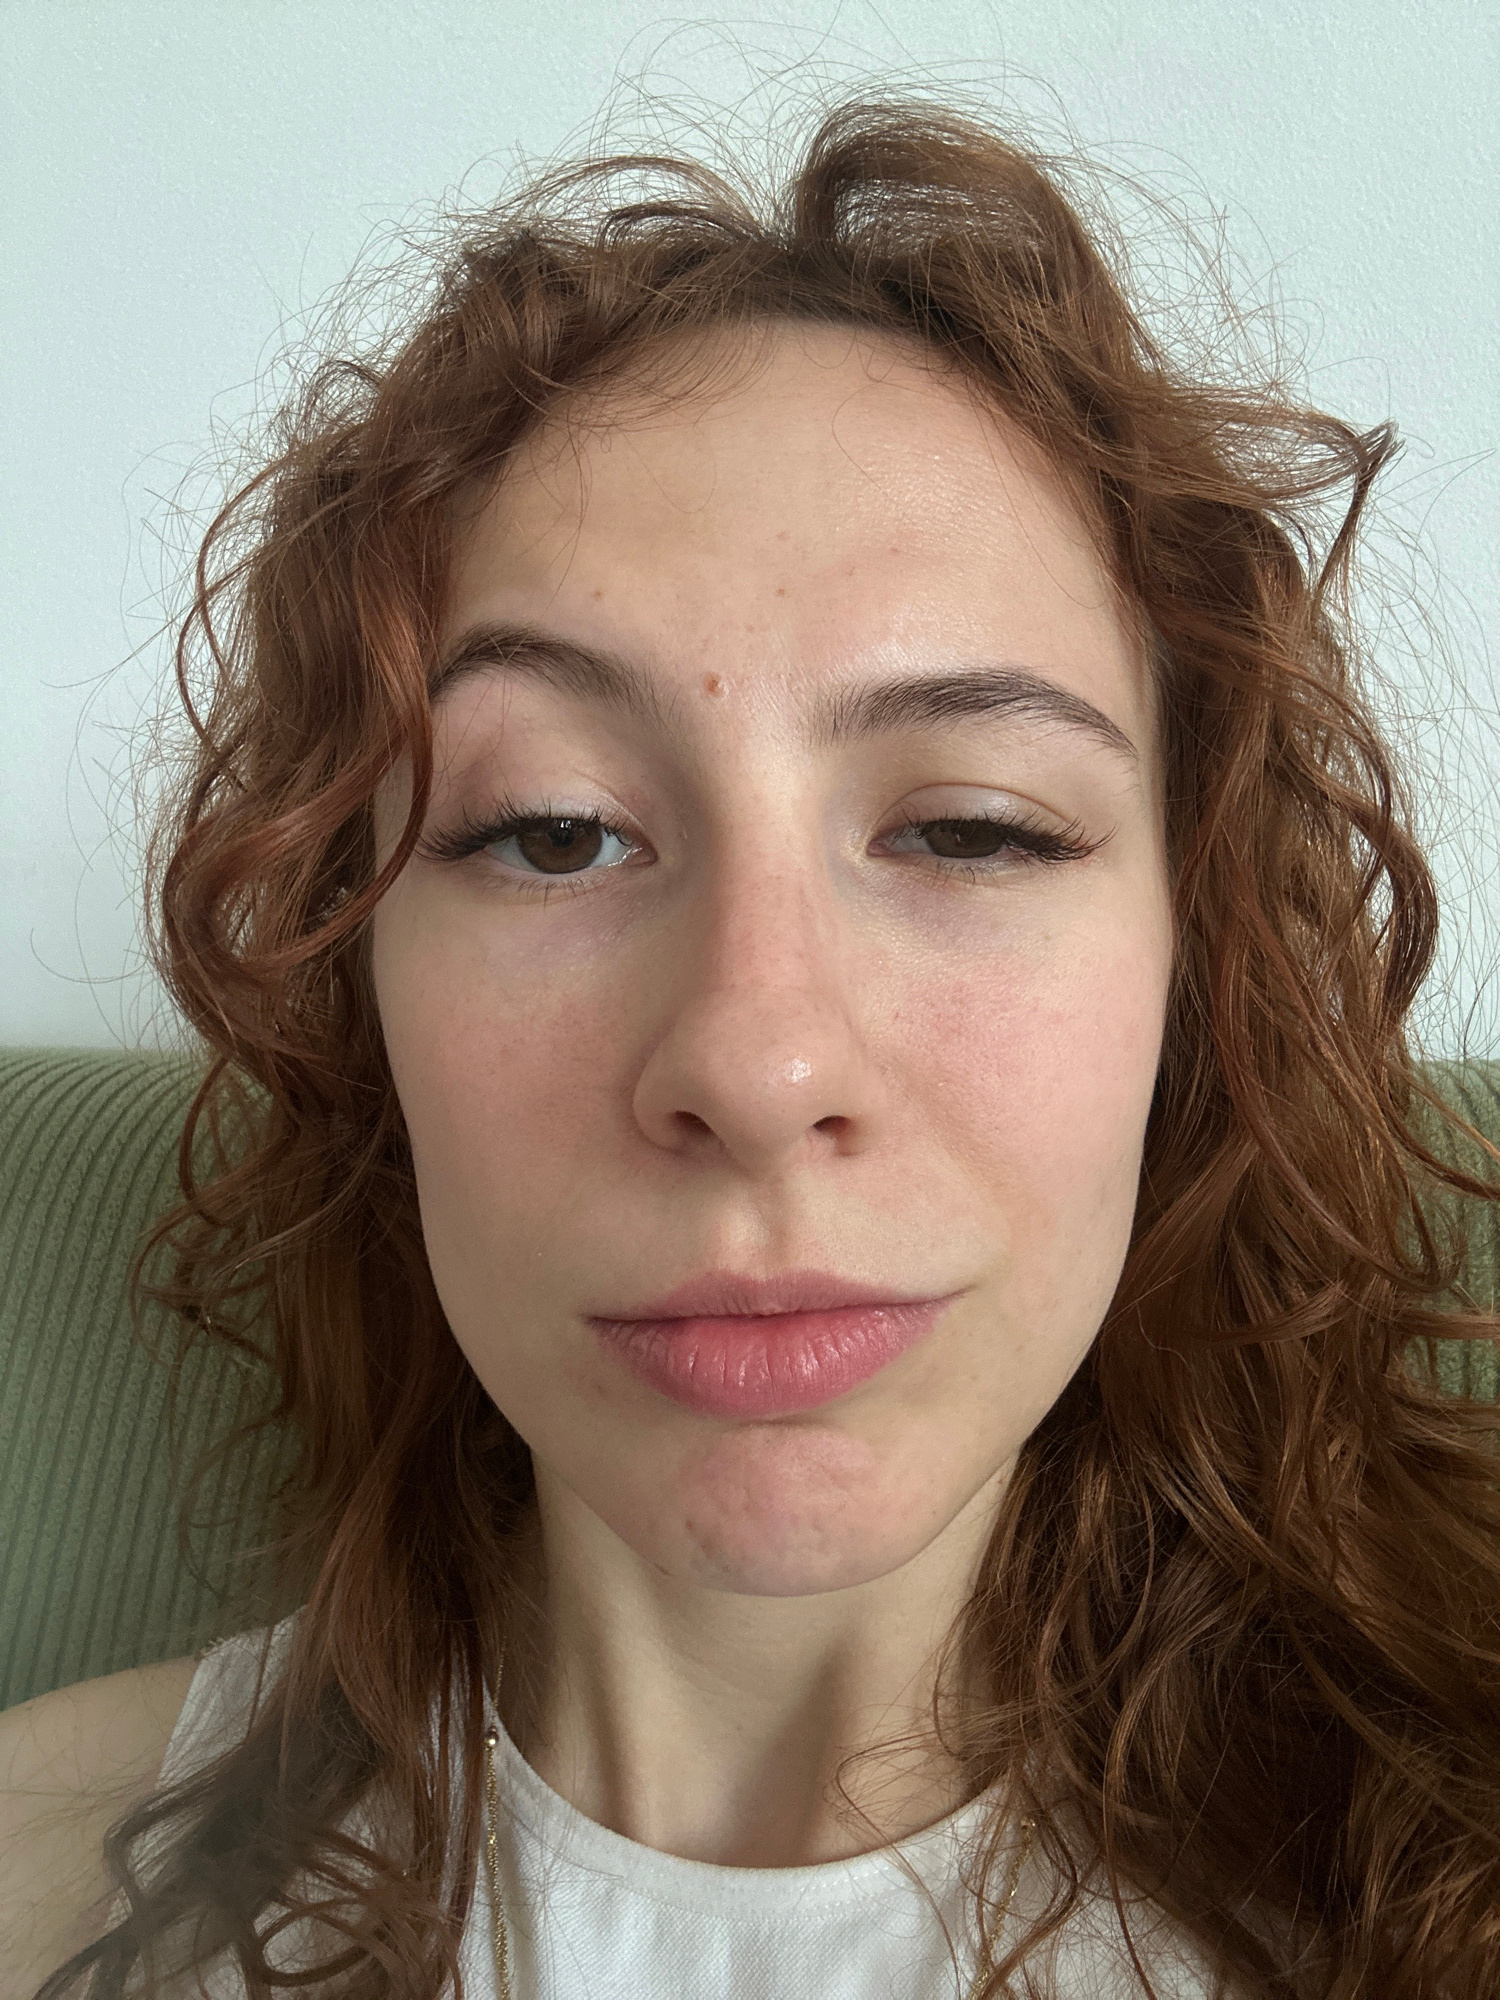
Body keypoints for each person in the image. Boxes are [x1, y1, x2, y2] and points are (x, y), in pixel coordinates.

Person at [4, 97, 1499, 2000]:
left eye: (974, 830)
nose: (760, 1063)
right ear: (352, 989)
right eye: (553, 832)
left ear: (1196, 986)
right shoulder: (42, 1888)